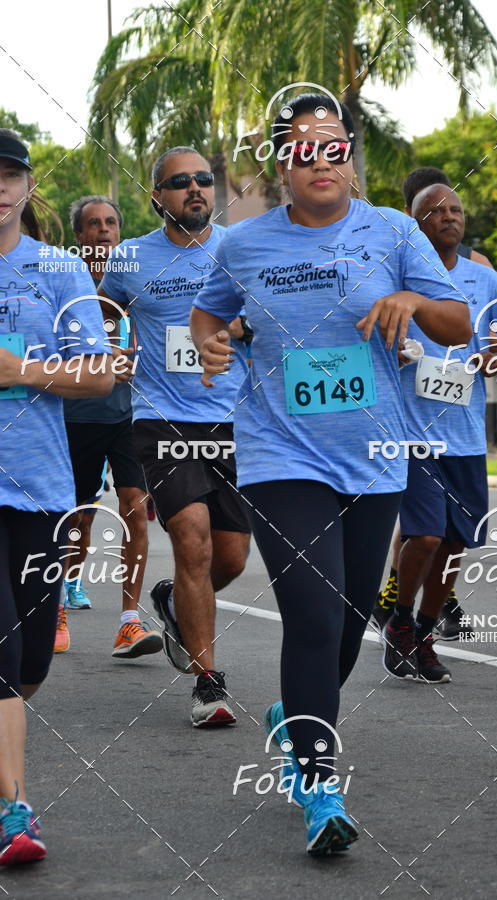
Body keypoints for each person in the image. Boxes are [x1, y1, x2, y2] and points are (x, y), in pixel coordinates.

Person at [190, 94, 471, 854]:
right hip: (282, 455)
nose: (321, 160)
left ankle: (295, 715)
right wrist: (214, 345)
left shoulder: (392, 229)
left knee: (345, 630)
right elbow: (210, 316)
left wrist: (410, 298)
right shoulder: (244, 245)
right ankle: (318, 784)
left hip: (375, 457)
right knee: (312, 618)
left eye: (334, 146)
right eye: (303, 148)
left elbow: (459, 322)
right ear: (282, 163)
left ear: (350, 156)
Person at [99, 147, 251, 726]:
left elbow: (270, 313)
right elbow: (103, 312)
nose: (195, 189)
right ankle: (207, 684)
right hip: (163, 417)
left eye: (203, 180)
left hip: (235, 420)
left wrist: (240, 327)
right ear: (156, 196)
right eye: (180, 182)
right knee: (192, 538)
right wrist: (105, 344)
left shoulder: (240, 249)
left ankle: (170, 602)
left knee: (231, 557)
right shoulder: (131, 258)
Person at [0, 130, 113, 864]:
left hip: (39, 487)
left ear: (29, 186)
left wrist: (19, 370)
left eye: (11, 175)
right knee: (3, 648)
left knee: (31, 662)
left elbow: (100, 376)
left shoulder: (60, 271)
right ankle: (15, 812)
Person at [375, 183, 497, 683]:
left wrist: (493, 356)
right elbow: (368, 336)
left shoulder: (484, 280)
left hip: (465, 434)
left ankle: (422, 631)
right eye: (434, 211)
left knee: (456, 542)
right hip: (412, 432)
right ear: (414, 223)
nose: (448, 216)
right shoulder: (396, 279)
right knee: (425, 533)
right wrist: (391, 352)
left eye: (456, 209)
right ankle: (397, 619)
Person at [55, 195, 159, 660]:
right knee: (79, 519)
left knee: (135, 508)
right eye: (93, 224)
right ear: (79, 235)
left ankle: (128, 623)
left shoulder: (135, 280)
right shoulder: (63, 283)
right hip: (77, 418)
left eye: (111, 223)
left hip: (127, 416)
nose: (103, 231)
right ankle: (57, 602)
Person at [402, 167, 493, 268]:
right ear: (410, 212)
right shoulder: (395, 262)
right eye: (434, 210)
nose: (448, 217)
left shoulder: (478, 264)